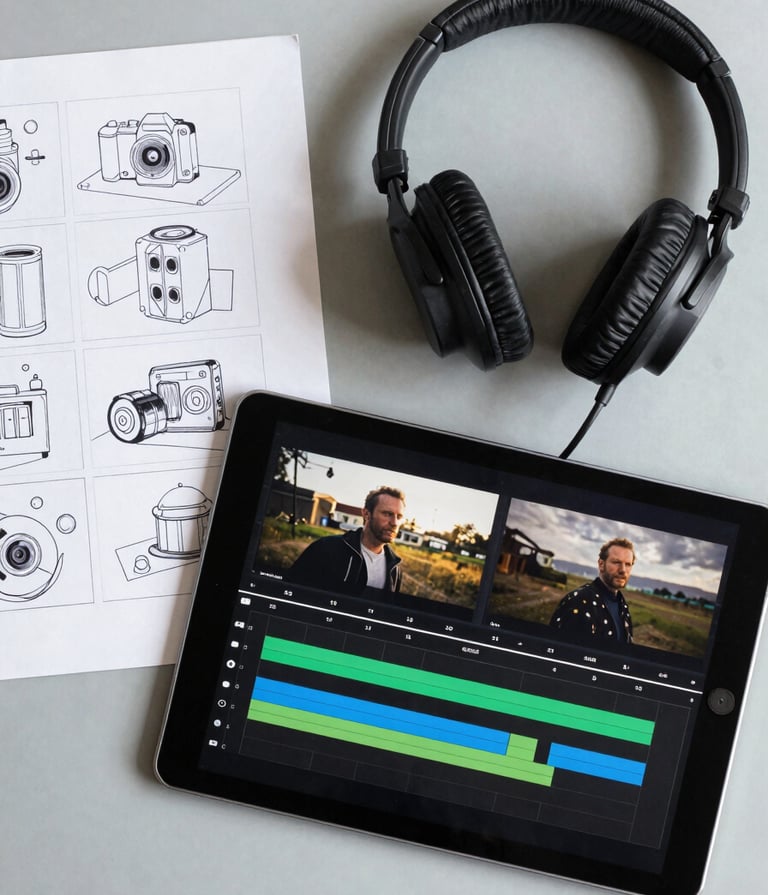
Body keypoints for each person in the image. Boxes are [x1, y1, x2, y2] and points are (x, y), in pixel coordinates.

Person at [286, 486, 405, 595]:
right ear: (366, 514)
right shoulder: (325, 549)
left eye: (399, 517)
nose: (394, 523)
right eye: (387, 514)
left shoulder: (395, 568)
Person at [549, 537, 635, 643]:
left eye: (628, 564)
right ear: (601, 564)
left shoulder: (622, 605)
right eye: (616, 562)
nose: (623, 570)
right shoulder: (579, 601)